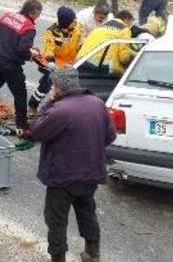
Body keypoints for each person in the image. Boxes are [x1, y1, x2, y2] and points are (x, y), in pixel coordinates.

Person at [30, 67, 116, 262]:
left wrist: (49, 103)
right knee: (87, 212)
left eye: (53, 85)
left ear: (59, 87)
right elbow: (110, 136)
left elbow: (36, 131)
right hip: (90, 173)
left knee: (56, 220)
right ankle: (93, 253)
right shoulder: (96, 103)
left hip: (63, 176)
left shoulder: (59, 109)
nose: (52, 89)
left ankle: (58, 258)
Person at [0, 0, 42, 132]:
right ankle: (22, 125)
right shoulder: (29, 27)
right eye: (38, 15)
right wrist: (31, 56)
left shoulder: (7, 16)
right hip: (11, 65)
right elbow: (22, 49)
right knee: (20, 94)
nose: (38, 18)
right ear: (31, 13)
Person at [29, 7, 83, 112]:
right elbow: (49, 51)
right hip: (54, 62)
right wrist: (53, 66)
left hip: (72, 62)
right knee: (48, 82)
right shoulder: (51, 32)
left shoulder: (78, 27)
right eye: (73, 21)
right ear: (66, 23)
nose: (75, 23)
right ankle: (32, 105)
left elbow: (81, 42)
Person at [77, 10, 136, 75]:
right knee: (126, 75)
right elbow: (124, 57)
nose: (130, 26)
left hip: (82, 60)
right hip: (103, 66)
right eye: (130, 23)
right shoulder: (124, 30)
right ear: (126, 20)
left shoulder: (102, 26)